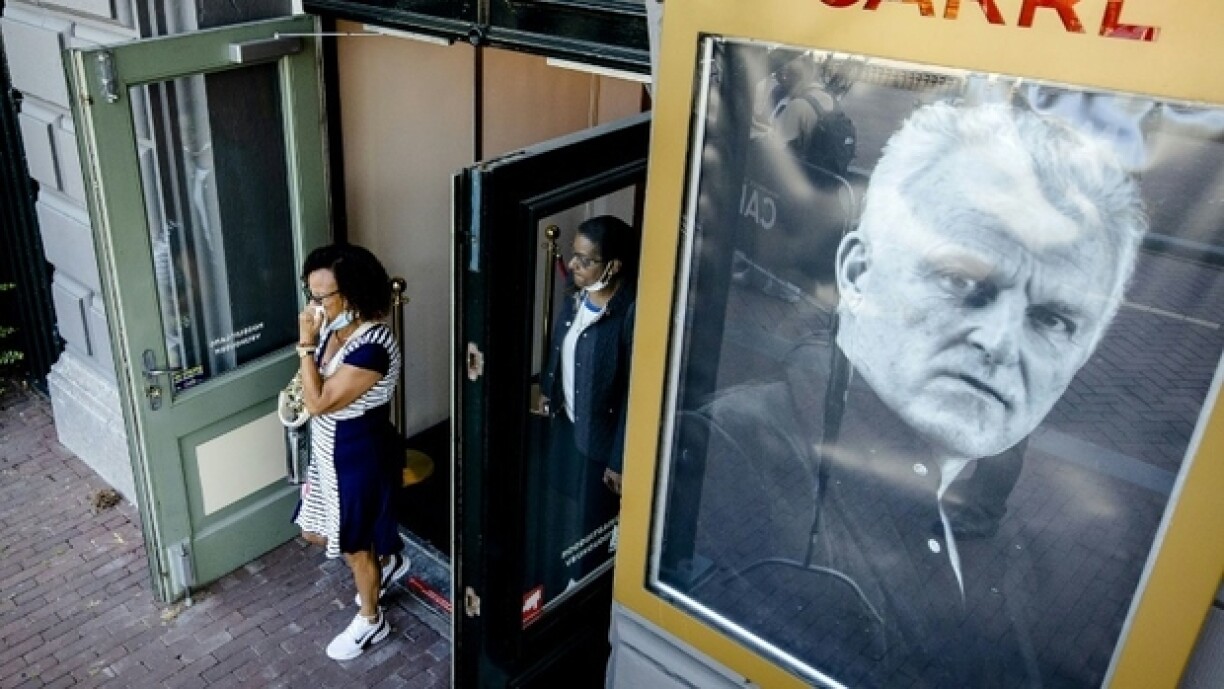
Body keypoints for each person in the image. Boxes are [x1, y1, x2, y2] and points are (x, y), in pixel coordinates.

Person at [680, 101, 1147, 687]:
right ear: (855, 274)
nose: (1000, 344)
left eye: (1053, 320)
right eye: (960, 280)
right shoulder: (729, 462)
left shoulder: (990, 513)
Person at [291, 243, 411, 661]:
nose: (314, 305)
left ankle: (371, 618)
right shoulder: (332, 328)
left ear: (354, 294)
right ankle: (386, 564)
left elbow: (320, 402)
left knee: (353, 545)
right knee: (314, 530)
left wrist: (305, 348)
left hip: (356, 457)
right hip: (327, 453)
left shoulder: (373, 347)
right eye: (312, 293)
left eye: (322, 296)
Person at [535, 215, 639, 602]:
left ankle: (584, 588)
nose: (574, 266)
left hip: (602, 441)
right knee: (564, 497)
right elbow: (560, 341)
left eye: (585, 260)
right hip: (568, 423)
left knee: (594, 519)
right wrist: (549, 389)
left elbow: (634, 395)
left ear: (613, 266)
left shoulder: (629, 314)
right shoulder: (576, 291)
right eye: (573, 257)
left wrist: (619, 461)